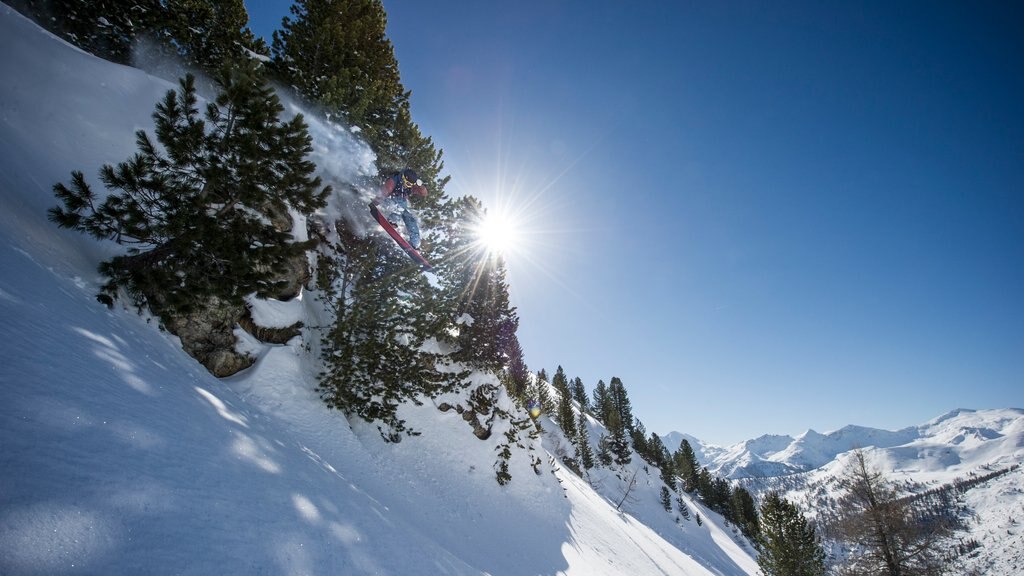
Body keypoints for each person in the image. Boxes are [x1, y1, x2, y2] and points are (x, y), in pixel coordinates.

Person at [379, 168, 428, 249]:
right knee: (399, 207)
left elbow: (424, 194)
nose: (409, 186)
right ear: (403, 178)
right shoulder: (393, 181)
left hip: (401, 205)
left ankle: (415, 243)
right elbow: (381, 194)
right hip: (388, 201)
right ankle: (392, 221)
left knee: (410, 219)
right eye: (408, 184)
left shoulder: (411, 185)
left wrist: (420, 185)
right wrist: (373, 204)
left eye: (411, 185)